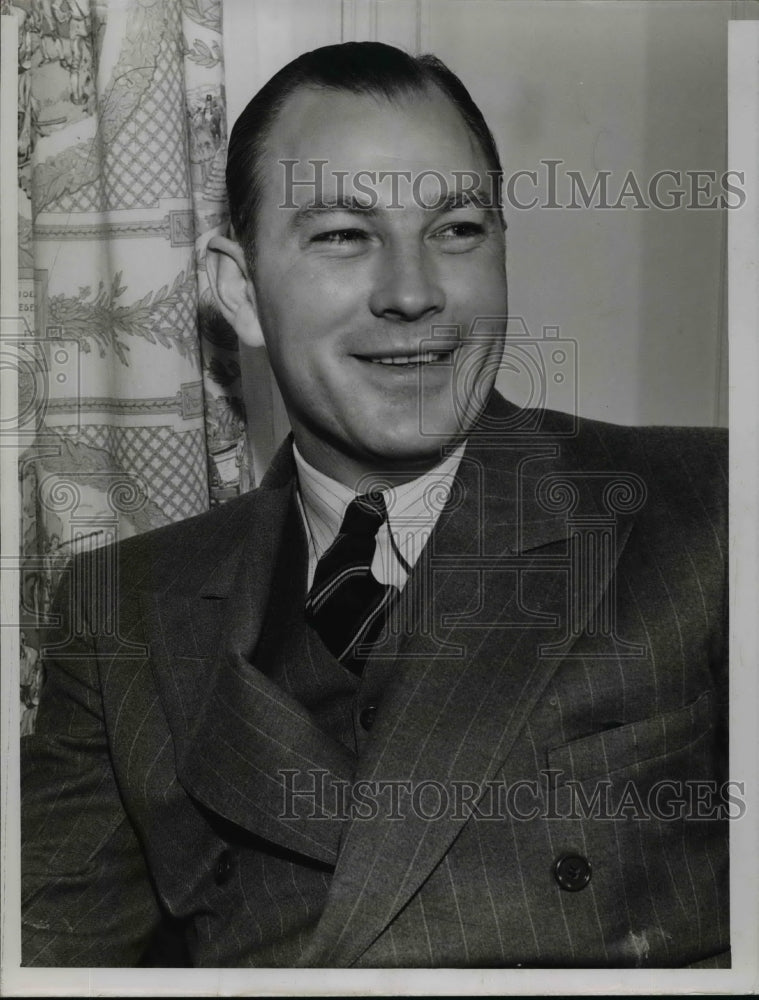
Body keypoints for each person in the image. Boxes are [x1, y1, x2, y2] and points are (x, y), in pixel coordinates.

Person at [21, 41, 729, 969]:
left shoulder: (713, 512)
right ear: (239, 289)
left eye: (458, 229)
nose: (412, 292)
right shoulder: (121, 608)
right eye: (343, 236)